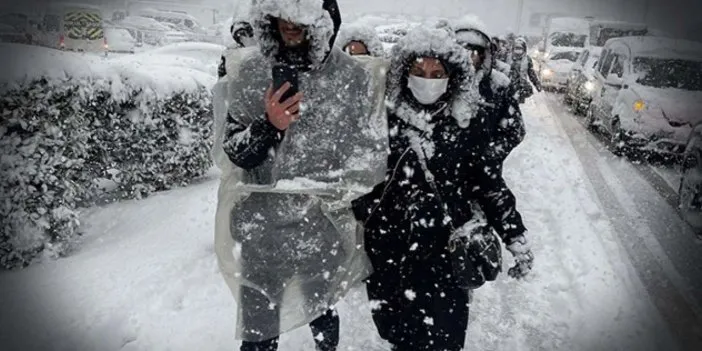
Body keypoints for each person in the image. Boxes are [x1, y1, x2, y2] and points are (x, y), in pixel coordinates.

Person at [211, 0, 389, 350]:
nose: (291, 21)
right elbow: (235, 151)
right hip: (262, 233)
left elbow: (369, 156)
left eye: (302, 11)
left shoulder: (349, 77)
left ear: (323, 17)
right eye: (283, 10)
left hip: (320, 229)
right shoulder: (251, 73)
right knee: (258, 332)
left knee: (322, 315)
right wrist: (269, 127)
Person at [353, 25, 534, 351]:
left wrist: (514, 235)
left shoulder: (466, 122)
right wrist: (368, 213)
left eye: (437, 72)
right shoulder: (382, 117)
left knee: (443, 338)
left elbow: (489, 184)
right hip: (389, 249)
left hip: (445, 252)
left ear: (453, 76)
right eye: (419, 70)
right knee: (395, 333)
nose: (428, 78)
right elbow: (358, 177)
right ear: (403, 71)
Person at [452, 17, 525, 161]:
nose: (466, 59)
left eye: (472, 53)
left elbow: (516, 130)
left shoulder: (499, 86)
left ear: (482, 55)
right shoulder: (442, 81)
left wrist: (489, 155)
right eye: (461, 52)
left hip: (482, 175)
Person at [509, 37, 542, 104]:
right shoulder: (508, 57)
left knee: (516, 106)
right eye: (516, 48)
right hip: (508, 86)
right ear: (513, 49)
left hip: (520, 88)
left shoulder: (527, 60)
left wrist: (537, 84)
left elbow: (531, 73)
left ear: (524, 50)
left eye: (520, 49)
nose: (518, 51)